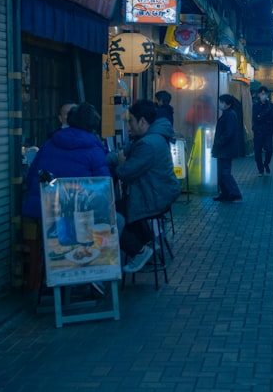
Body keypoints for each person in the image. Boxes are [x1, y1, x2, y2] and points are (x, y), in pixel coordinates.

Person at [111, 100, 181, 273]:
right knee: (122, 209)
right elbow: (124, 153)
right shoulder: (149, 138)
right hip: (158, 191)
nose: (128, 126)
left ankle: (140, 250)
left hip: (154, 196)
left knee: (110, 216)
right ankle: (149, 242)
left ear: (142, 121)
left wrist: (120, 164)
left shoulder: (147, 144)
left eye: (131, 121)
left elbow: (125, 172)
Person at [22, 103, 109, 220]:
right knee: (118, 221)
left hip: (44, 211)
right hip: (80, 214)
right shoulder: (94, 149)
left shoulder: (48, 144)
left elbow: (32, 175)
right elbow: (104, 186)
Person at [212, 94, 244, 202]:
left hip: (226, 149)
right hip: (224, 149)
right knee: (221, 172)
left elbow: (228, 133)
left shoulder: (230, 115)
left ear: (228, 104)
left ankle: (234, 193)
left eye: (222, 102)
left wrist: (219, 142)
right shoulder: (227, 114)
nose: (220, 104)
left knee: (224, 172)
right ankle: (225, 193)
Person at [252, 86, 273, 176]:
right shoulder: (256, 105)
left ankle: (266, 163)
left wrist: (261, 116)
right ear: (259, 95)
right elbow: (255, 118)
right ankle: (260, 169)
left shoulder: (270, 105)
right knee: (257, 151)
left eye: (265, 93)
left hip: (268, 131)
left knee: (269, 150)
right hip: (258, 131)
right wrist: (263, 115)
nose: (263, 95)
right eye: (262, 94)